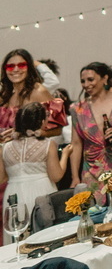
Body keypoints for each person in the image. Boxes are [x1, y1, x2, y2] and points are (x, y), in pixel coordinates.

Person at [69, 61, 112, 203]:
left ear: (105, 78)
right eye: (83, 81)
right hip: (93, 169)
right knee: (96, 210)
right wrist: (75, 177)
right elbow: (76, 144)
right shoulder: (78, 109)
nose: (86, 84)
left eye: (91, 79)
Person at [0, 104, 71, 243]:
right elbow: (56, 176)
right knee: (45, 237)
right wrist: (65, 155)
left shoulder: (6, 147)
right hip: (41, 192)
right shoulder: (48, 144)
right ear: (42, 121)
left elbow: (2, 177)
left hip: (14, 195)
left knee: (18, 241)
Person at [0, 50, 64, 143]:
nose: (16, 69)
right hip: (5, 150)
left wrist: (24, 133)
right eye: (10, 66)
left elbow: (57, 129)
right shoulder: (5, 95)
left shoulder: (39, 92)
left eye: (21, 65)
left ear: (29, 67)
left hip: (31, 149)